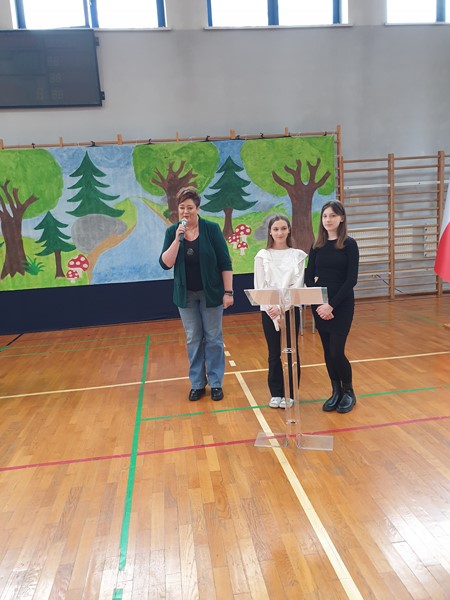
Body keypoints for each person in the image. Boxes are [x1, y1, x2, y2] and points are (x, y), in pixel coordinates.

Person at [159, 187, 234, 402]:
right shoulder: (172, 232)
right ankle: (198, 383)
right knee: (193, 338)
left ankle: (216, 383)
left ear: (198, 208)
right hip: (186, 295)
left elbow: (225, 262)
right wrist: (177, 240)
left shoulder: (211, 229)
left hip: (211, 293)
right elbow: (165, 263)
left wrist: (228, 292)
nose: (186, 212)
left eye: (190, 207)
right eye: (182, 207)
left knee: (213, 338)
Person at [305, 200, 359, 413]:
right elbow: (309, 276)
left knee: (337, 352)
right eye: (325, 216)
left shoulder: (349, 245)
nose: (328, 220)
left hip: (341, 305)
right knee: (328, 352)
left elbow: (351, 280)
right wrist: (320, 304)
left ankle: (349, 392)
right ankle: (336, 391)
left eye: (333, 216)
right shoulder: (316, 245)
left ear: (341, 218)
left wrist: (331, 306)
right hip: (320, 306)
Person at [254, 215, 307, 408]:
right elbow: (260, 286)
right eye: (276, 229)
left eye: (283, 228)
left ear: (289, 230)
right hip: (269, 311)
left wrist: (282, 307)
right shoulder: (262, 256)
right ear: (270, 232)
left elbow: (297, 286)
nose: (280, 232)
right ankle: (276, 393)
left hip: (290, 310)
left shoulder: (298, 255)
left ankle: (291, 394)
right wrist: (272, 309)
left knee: (292, 351)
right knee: (274, 352)